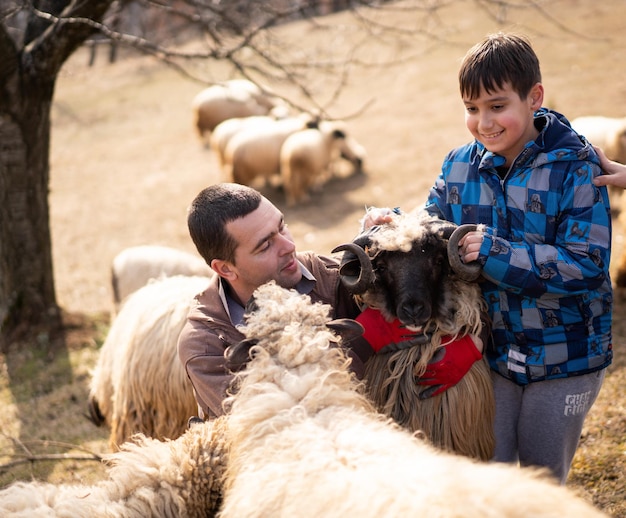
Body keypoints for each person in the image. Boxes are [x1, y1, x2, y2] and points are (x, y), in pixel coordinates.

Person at [365, 33, 613, 484]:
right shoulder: (459, 165)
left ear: (534, 97)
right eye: (472, 108)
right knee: (487, 473)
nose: (484, 122)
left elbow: (587, 264)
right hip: (494, 353)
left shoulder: (575, 168)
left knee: (540, 480)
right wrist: (393, 223)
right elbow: (435, 228)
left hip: (566, 356)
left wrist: (496, 252)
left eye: (497, 106)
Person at [177, 183, 485, 421]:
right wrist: (364, 340)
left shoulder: (329, 277)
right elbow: (269, 424)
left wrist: (475, 341)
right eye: (265, 245)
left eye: (281, 226)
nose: (288, 246)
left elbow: (432, 288)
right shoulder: (207, 343)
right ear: (225, 268)